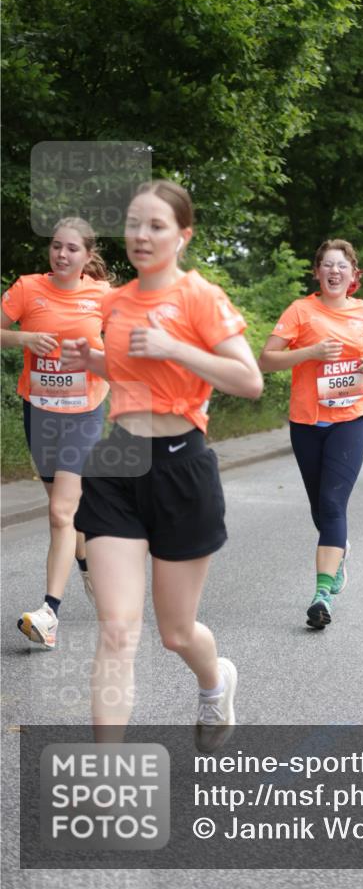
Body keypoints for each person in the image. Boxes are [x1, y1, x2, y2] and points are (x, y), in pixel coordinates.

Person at [63, 180, 263, 742]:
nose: (142, 236)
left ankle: (215, 681)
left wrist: (177, 348)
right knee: (118, 629)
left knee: (175, 633)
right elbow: (134, 376)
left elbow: (249, 381)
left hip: (181, 466)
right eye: (134, 224)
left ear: (183, 235)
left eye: (156, 226)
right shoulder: (118, 301)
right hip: (118, 463)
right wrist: (95, 360)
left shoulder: (201, 297)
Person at [259, 239, 363, 630]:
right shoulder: (300, 311)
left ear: (353, 274)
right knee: (320, 508)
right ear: (317, 272)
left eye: (342, 266)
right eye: (327, 265)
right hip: (307, 421)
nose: (334, 271)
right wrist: (308, 354)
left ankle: (322, 594)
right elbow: (266, 359)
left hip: (351, 418)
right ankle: (339, 552)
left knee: (332, 504)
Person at [1, 218, 111, 650]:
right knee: (62, 509)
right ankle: (87, 566)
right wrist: (25, 336)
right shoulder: (28, 288)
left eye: (72, 249)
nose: (62, 255)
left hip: (84, 412)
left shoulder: (103, 296)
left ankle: (49, 614)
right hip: (40, 410)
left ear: (87, 257)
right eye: (56, 247)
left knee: (61, 513)